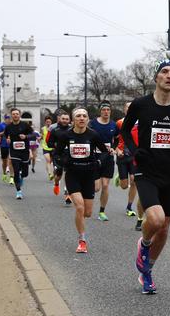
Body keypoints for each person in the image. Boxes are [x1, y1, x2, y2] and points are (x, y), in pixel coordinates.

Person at [121, 59, 170, 294]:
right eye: (164, 72)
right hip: (146, 171)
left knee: (164, 230)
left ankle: (147, 273)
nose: (169, 76)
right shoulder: (141, 104)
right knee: (154, 220)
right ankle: (144, 245)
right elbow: (125, 129)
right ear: (156, 77)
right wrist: (134, 151)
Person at [51, 108, 110, 253]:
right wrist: (65, 162)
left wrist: (98, 163)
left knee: (88, 213)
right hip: (72, 175)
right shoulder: (66, 135)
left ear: (88, 119)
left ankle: (80, 221)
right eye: (78, 116)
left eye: (84, 116)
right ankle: (82, 240)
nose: (82, 118)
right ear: (73, 120)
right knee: (79, 207)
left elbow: (104, 152)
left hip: (89, 175)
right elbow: (57, 154)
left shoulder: (93, 135)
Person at [115, 101, 144, 230]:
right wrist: (117, 149)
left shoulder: (141, 122)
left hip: (134, 155)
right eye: (128, 107)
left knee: (134, 181)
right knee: (123, 185)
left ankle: (129, 206)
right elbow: (114, 139)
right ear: (125, 110)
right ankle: (119, 178)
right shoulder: (119, 123)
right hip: (122, 155)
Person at [88, 100, 119, 221]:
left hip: (108, 158)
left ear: (110, 112)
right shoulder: (93, 123)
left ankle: (101, 212)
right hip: (95, 157)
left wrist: (113, 148)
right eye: (104, 110)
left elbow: (117, 139)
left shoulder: (113, 125)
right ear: (100, 111)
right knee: (96, 188)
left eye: (108, 110)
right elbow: (88, 137)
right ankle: (86, 197)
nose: (106, 112)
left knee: (105, 185)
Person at [4, 108, 38, 199]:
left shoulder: (25, 125)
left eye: (17, 114)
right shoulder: (8, 126)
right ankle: (18, 191)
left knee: (25, 173)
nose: (15, 115)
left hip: (24, 151)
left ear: (19, 115)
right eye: (13, 114)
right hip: (14, 151)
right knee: (15, 171)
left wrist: (26, 136)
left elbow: (33, 135)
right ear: (11, 115)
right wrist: (7, 139)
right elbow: (5, 135)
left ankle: (21, 177)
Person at [46, 112, 73, 204]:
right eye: (63, 119)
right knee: (59, 175)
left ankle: (67, 193)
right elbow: (48, 143)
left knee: (68, 174)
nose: (65, 121)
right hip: (58, 155)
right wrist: (56, 145)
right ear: (59, 119)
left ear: (69, 120)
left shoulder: (72, 129)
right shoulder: (54, 130)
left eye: (66, 119)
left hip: (69, 154)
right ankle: (56, 183)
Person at [0, 115, 13, 183]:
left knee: (11, 160)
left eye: (9, 118)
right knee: (4, 161)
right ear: (5, 119)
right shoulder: (1, 125)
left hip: (12, 145)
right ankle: (4, 174)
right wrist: (3, 133)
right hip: (4, 145)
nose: (8, 120)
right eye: (7, 119)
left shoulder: (13, 125)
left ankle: (11, 177)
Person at [41, 115, 55, 180]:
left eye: (49, 122)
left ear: (51, 122)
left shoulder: (54, 129)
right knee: (48, 160)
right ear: (45, 122)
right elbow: (42, 136)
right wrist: (39, 138)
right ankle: (50, 174)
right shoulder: (43, 129)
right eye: (47, 122)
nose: (48, 123)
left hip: (52, 147)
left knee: (50, 162)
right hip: (45, 146)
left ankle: (49, 172)